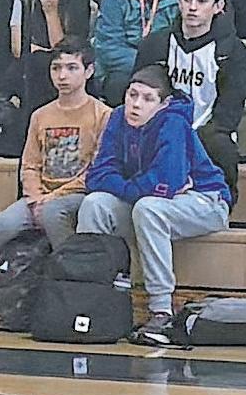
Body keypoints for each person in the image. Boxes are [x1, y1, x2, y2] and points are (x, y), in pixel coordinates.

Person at [75, 68, 231, 350]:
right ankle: (92, 298)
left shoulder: (174, 123)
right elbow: (97, 176)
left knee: (148, 208)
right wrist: (134, 188)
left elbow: (166, 181)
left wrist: (134, 187)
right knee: (95, 204)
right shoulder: (118, 118)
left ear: (163, 104)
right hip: (147, 200)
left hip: (206, 201)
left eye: (147, 99)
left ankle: (162, 311)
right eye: (132, 95)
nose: (136, 104)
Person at [0, 45, 110, 282]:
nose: (62, 76)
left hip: (77, 194)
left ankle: (71, 280)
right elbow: (30, 164)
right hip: (39, 196)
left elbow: (95, 170)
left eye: (72, 68)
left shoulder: (103, 114)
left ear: (88, 71)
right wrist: (35, 197)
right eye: (56, 68)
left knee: (53, 213)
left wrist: (51, 198)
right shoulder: (40, 115)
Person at [138, 0, 246, 197]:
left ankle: (222, 201)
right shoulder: (155, 44)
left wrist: (192, 137)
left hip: (210, 134)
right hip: (161, 129)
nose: (192, 7)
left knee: (221, 146)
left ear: (218, 7)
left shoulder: (232, 51)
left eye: (202, 0)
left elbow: (229, 111)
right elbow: (139, 90)